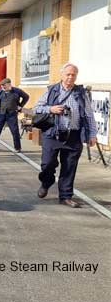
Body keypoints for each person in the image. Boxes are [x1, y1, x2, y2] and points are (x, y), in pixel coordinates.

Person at [34, 63, 97, 208]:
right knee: (47, 163)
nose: (70, 77)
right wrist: (51, 109)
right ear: (62, 75)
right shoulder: (52, 90)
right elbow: (37, 108)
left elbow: (89, 115)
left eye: (73, 75)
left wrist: (92, 134)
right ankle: (46, 181)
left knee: (69, 167)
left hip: (73, 135)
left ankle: (66, 196)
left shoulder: (81, 93)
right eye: (68, 74)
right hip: (53, 134)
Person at [0, 78, 29, 152]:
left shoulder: (17, 91)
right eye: (1, 86)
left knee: (15, 131)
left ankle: (17, 148)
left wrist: (20, 106)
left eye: (4, 85)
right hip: (1, 114)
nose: (2, 87)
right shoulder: (0, 92)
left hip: (12, 114)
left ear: (9, 84)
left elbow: (26, 97)